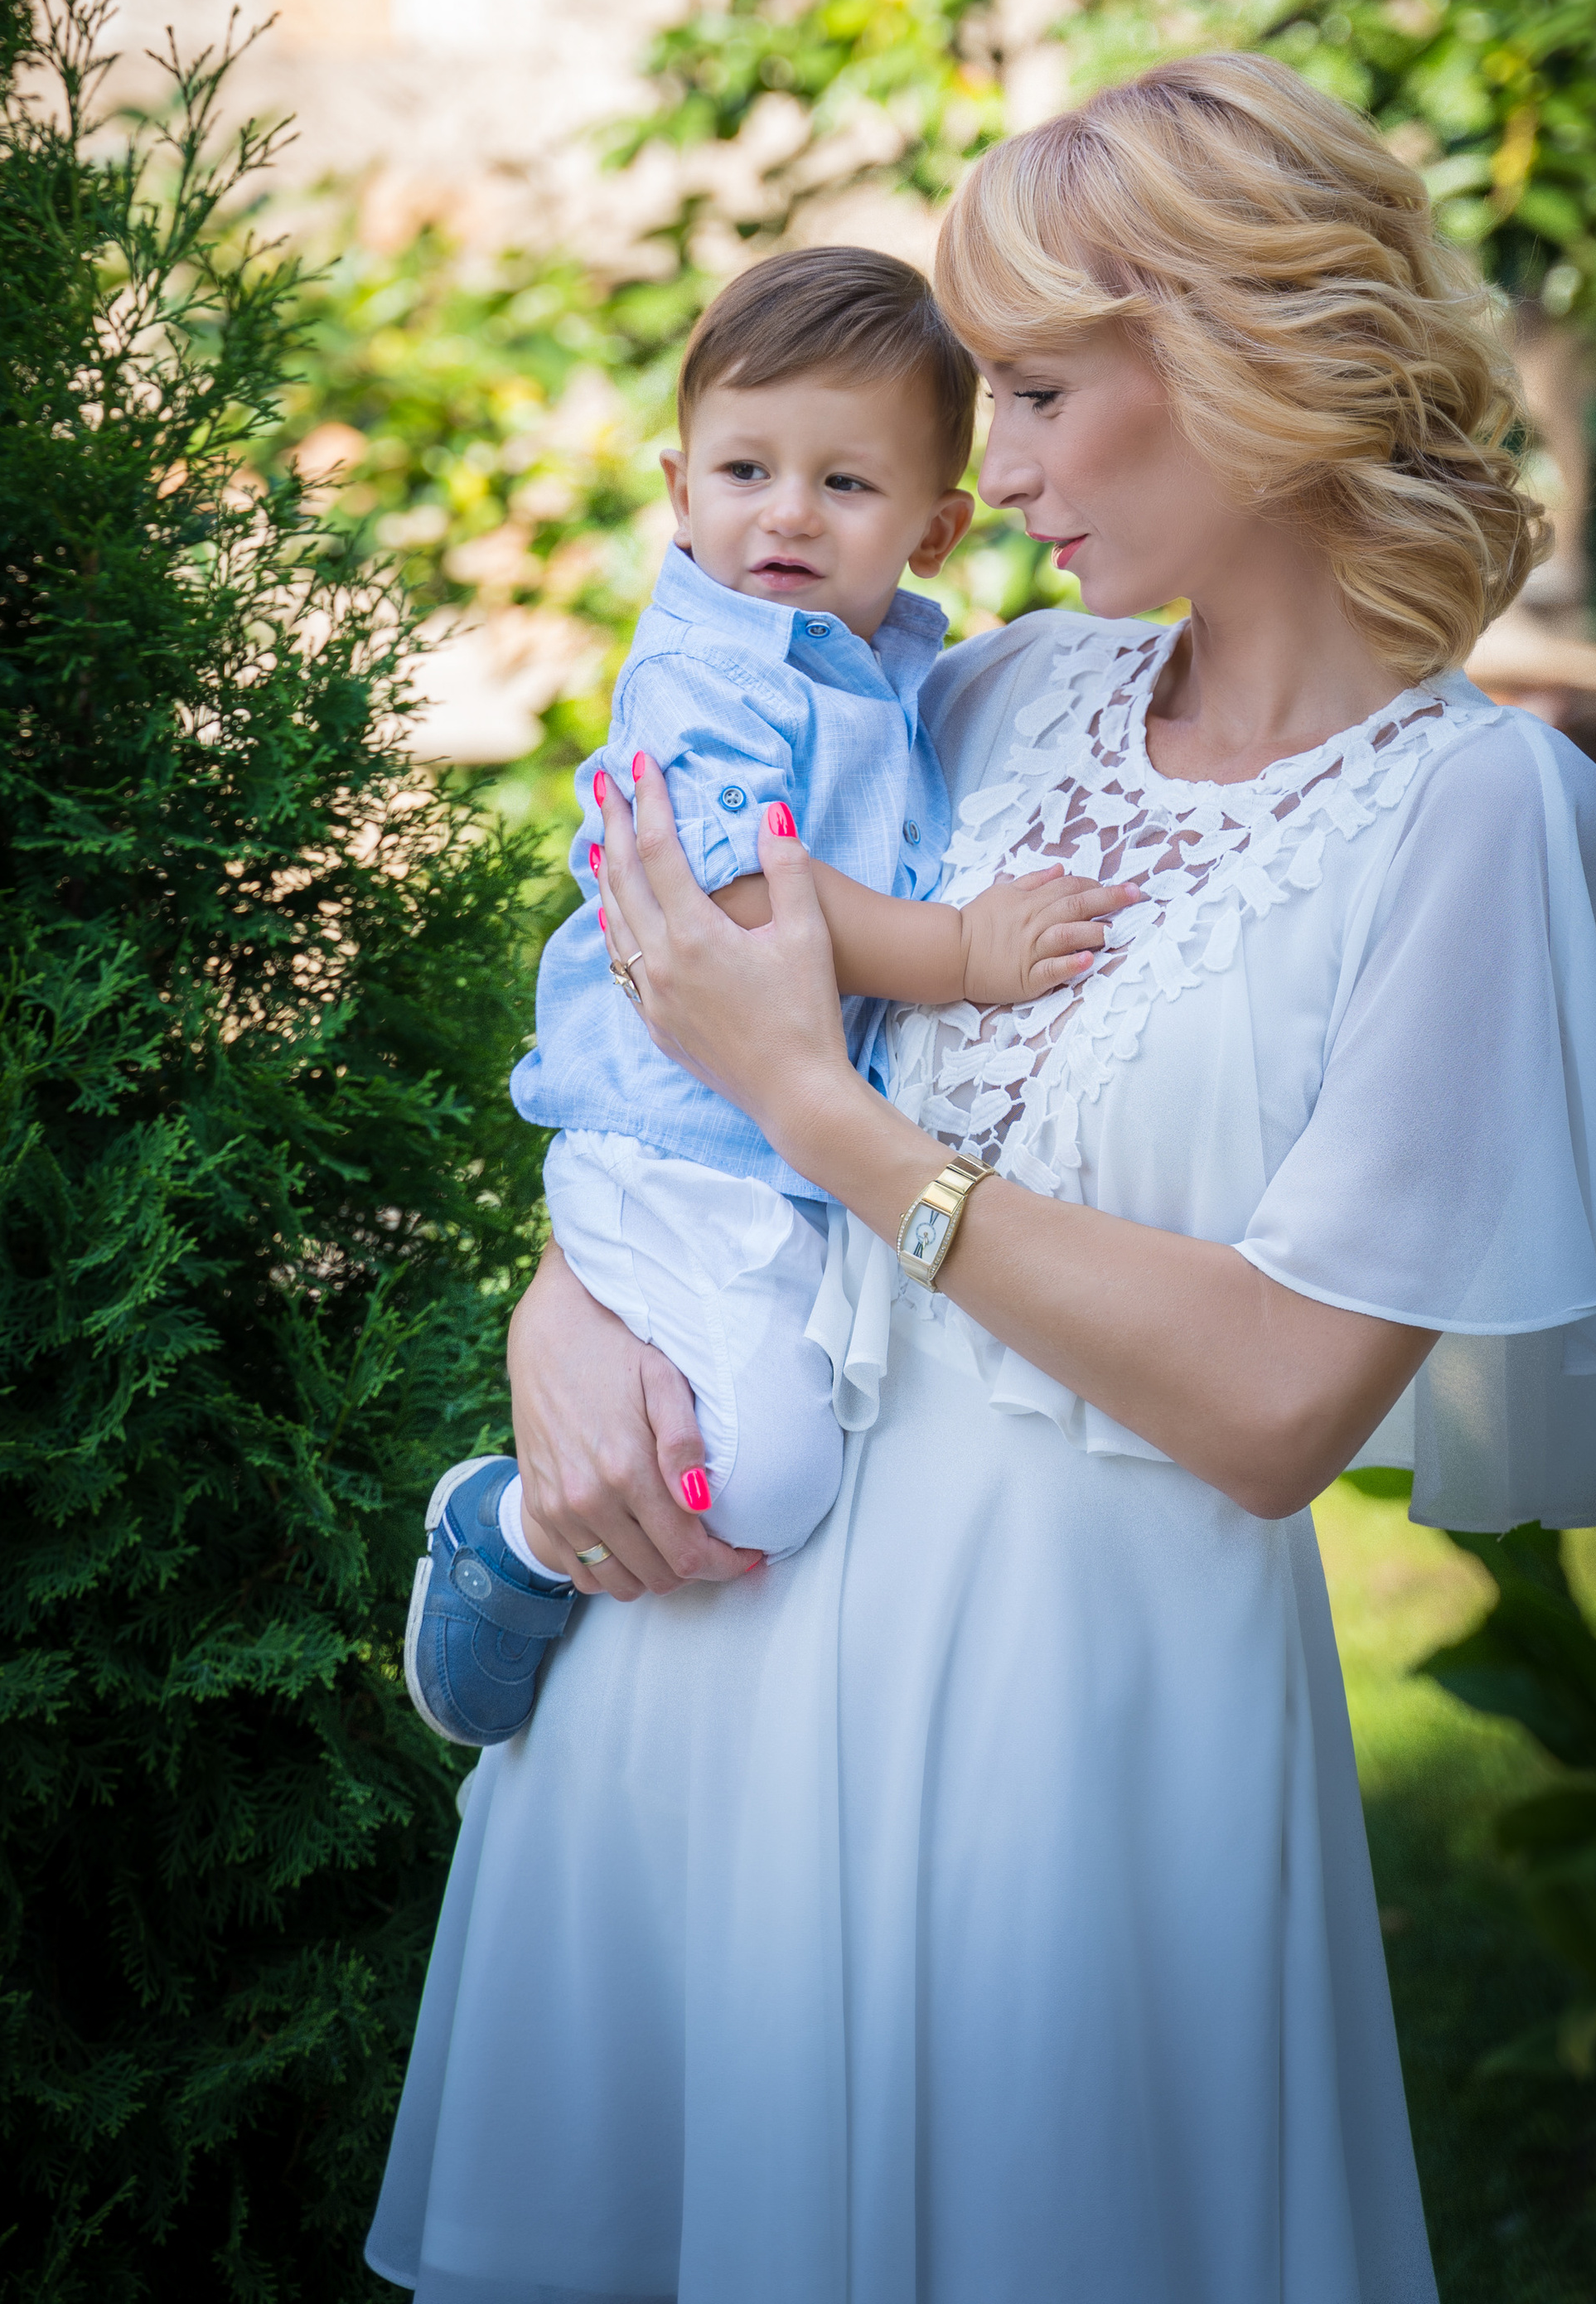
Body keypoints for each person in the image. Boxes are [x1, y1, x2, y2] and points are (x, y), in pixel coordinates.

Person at [369, 55, 1596, 2304]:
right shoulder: (986, 695)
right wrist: (558, 1315)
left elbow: (1273, 1410)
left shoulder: (1478, 824)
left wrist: (856, 1136)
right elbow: (669, 1067)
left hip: (1072, 1734)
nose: (994, 472)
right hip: (706, 1658)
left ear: (1245, 356)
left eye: (1040, 394)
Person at [409, 248, 1129, 1746]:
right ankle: (508, 1542)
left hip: (761, 1153)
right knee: (775, 1478)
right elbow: (747, 895)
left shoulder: (895, 673)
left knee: (763, 1431)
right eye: (747, 468)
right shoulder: (709, 672)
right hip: (680, 1140)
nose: (789, 512)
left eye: (847, 487)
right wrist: (969, 953)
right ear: (681, 491)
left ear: (933, 529)